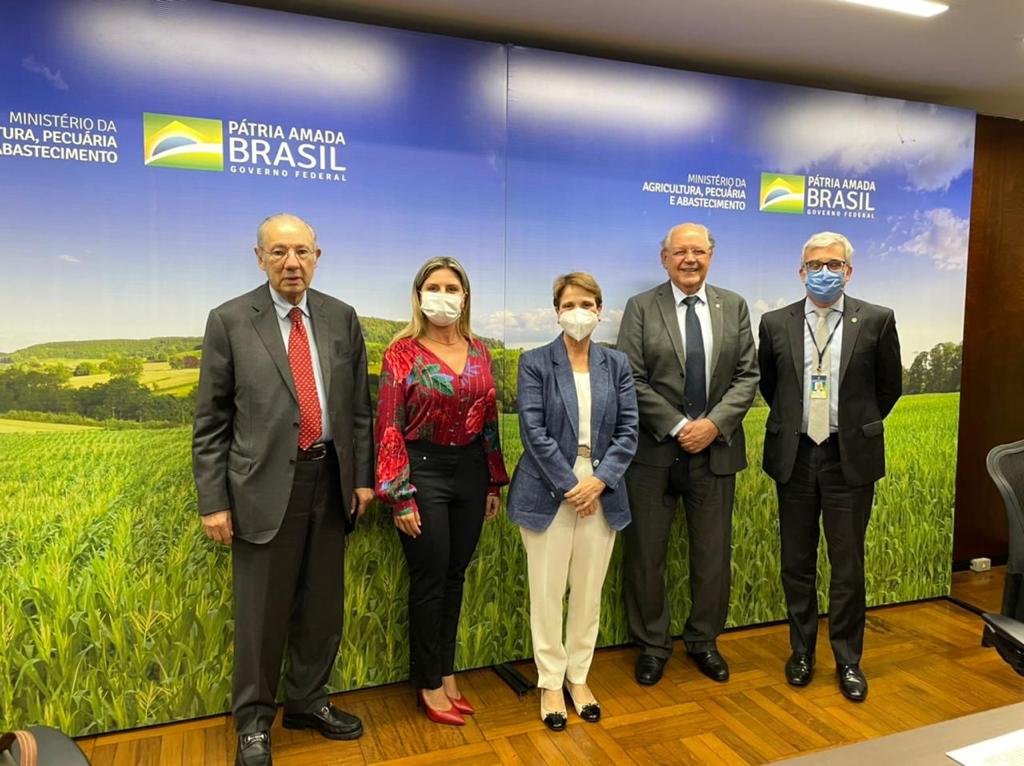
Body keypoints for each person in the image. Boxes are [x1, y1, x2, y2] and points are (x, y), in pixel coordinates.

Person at [192, 214, 374, 766]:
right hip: (263, 488)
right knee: (261, 615)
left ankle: (307, 701)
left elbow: (359, 408)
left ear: (318, 255)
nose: (291, 263)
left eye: (301, 252)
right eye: (278, 252)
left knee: (322, 608)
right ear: (259, 257)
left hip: (331, 481)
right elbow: (211, 421)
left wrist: (362, 478)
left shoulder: (342, 318)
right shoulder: (228, 320)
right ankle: (253, 723)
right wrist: (213, 500)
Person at [757, 231, 901, 702]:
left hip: (848, 458)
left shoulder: (877, 320)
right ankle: (801, 651)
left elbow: (888, 388)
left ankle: (848, 660)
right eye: (815, 264)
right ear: (801, 272)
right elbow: (771, 385)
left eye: (834, 264)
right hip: (794, 456)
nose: (824, 272)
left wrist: (854, 425)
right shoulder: (775, 323)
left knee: (847, 565)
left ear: (849, 271)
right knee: (797, 563)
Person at [616, 223, 759, 687]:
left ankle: (703, 642)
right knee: (646, 556)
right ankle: (653, 645)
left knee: (712, 555)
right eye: (680, 252)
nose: (690, 259)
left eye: (698, 251)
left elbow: (747, 376)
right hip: (655, 454)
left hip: (715, 451)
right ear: (664, 258)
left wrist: (713, 425)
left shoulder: (733, 306)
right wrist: (679, 426)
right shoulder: (641, 308)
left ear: (711, 256)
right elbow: (631, 379)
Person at [374, 256, 509, 726]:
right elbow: (389, 425)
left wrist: (493, 479)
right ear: (418, 295)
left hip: (471, 470)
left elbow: (489, 421)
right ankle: (428, 682)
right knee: (429, 581)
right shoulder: (401, 353)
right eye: (434, 286)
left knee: (456, 577)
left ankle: (448, 673)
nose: (443, 295)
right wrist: (399, 494)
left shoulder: (481, 351)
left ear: (465, 296)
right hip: (422, 469)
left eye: (452, 287)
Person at [507, 273, 639, 731]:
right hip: (551, 487)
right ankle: (549, 681)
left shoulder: (616, 364)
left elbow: (628, 431)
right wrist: (571, 484)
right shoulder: (536, 362)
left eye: (587, 303)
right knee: (546, 591)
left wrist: (598, 482)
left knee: (587, 591)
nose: (578, 312)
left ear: (600, 310)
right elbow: (533, 430)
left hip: (602, 487)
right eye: (569, 304)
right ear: (557, 310)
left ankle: (578, 677)